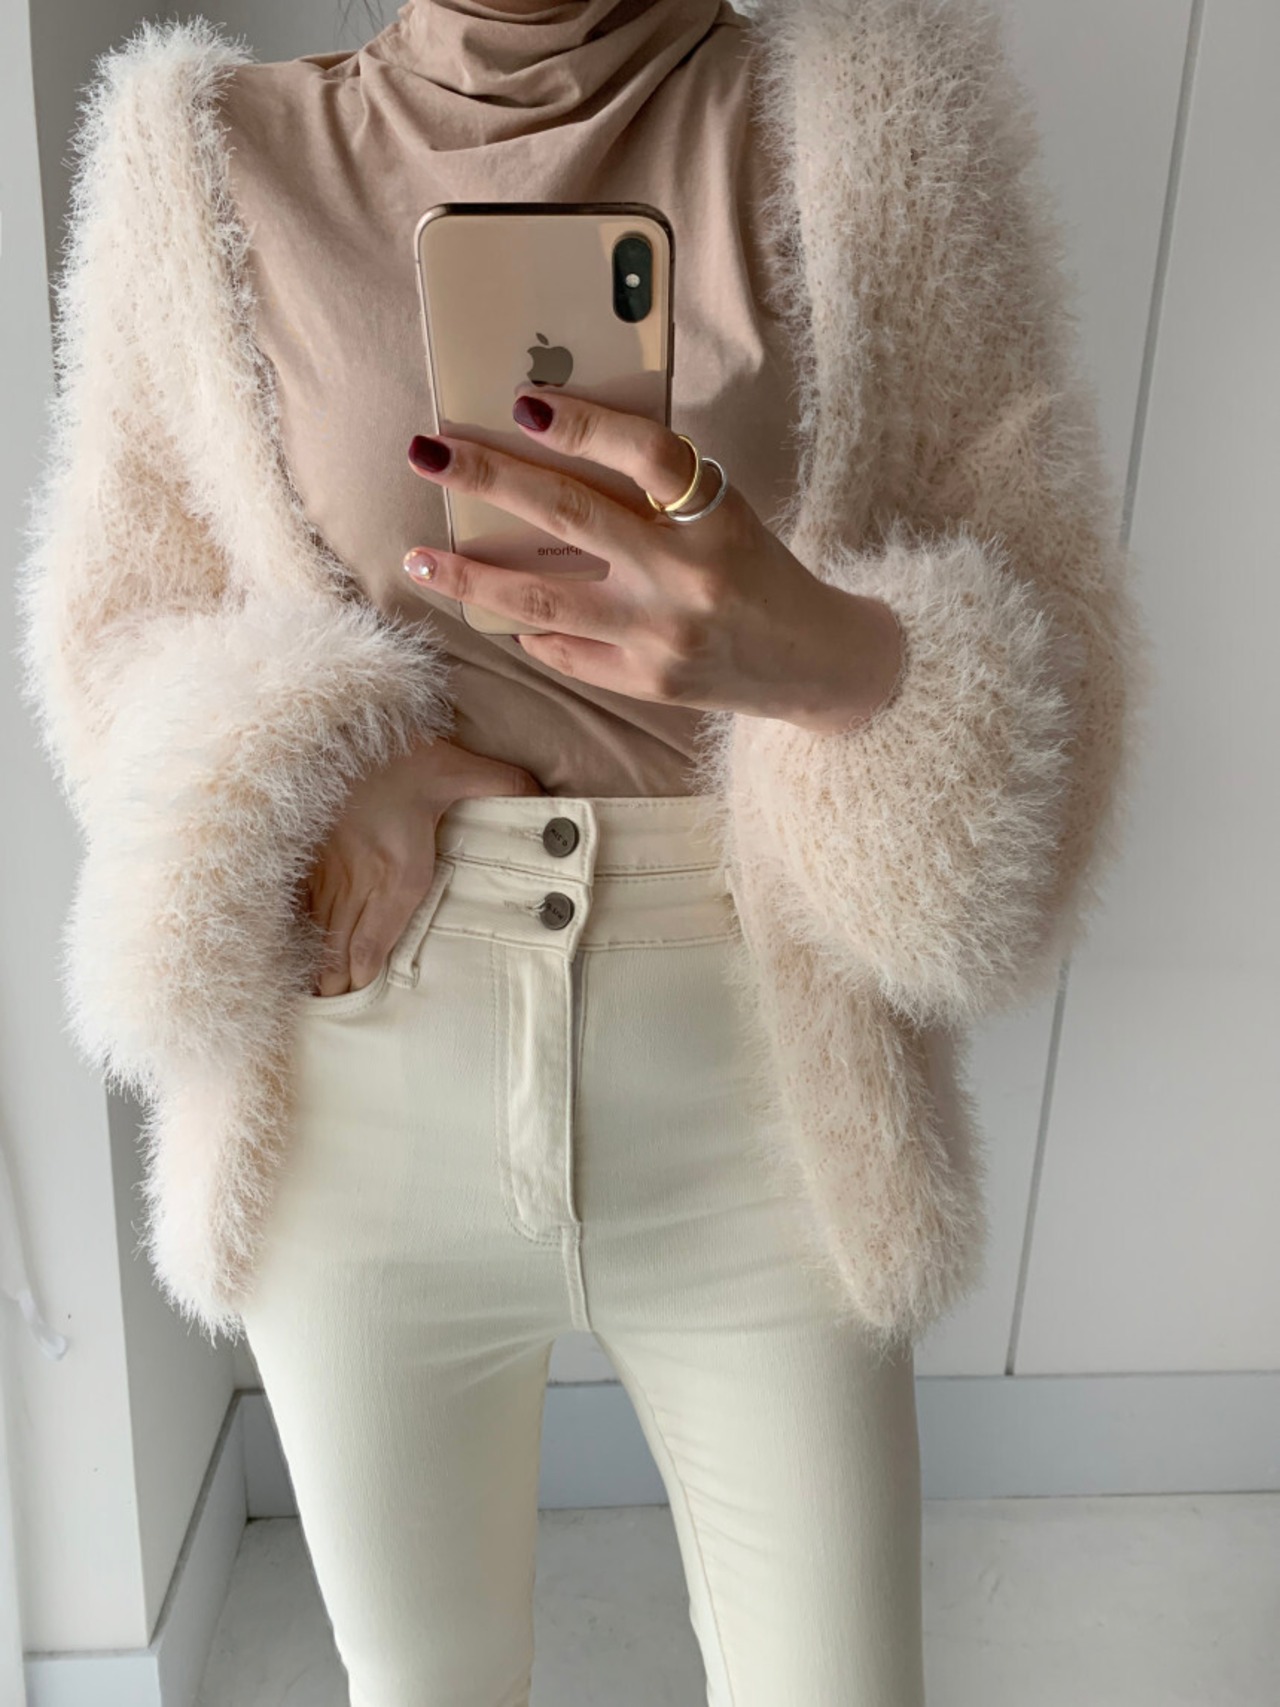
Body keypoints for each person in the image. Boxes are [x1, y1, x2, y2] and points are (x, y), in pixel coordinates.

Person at [17, 0, 1147, 1702]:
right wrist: (322, 765)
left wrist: (829, 657)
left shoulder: (866, 114)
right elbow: (116, 627)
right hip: (366, 1070)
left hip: (764, 1076)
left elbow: (1053, 624)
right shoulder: (211, 157)